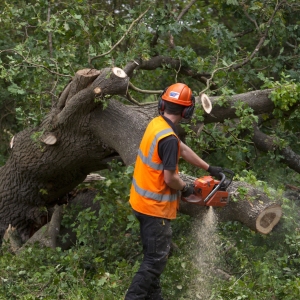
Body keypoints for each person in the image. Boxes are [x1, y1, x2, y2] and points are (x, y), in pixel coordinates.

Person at [125, 83, 223, 300]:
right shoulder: (167, 138)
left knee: (155, 260)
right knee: (153, 263)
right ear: (187, 111)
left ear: (163, 103)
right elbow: (171, 179)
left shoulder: (158, 125)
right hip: (155, 210)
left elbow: (182, 148)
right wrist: (187, 188)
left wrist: (209, 168)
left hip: (141, 203)